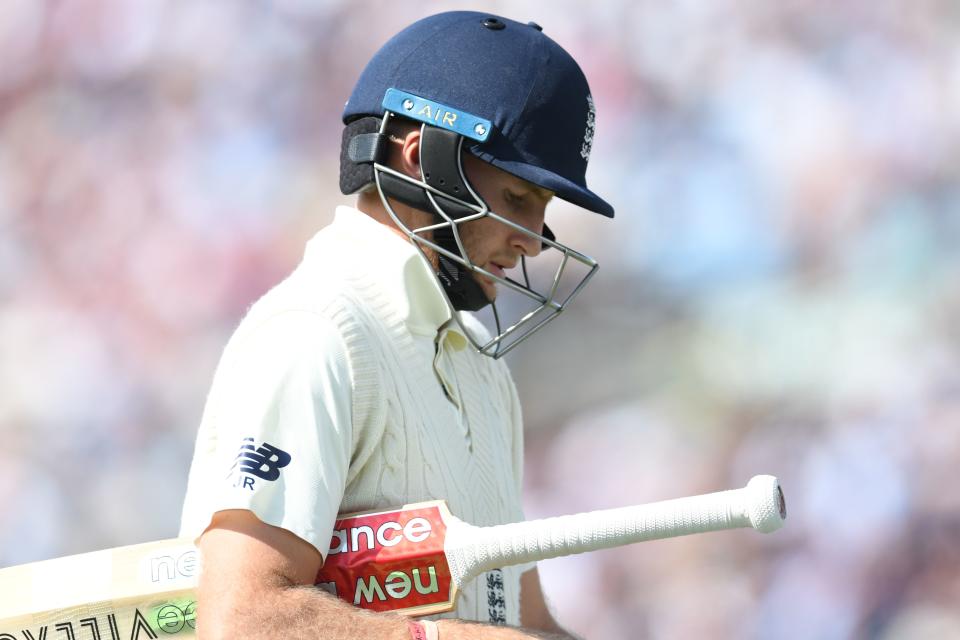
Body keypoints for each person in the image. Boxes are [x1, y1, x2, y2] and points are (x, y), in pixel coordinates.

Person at [179, 10, 614, 640]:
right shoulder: (314, 334)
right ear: (421, 160)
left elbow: (522, 620)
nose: (533, 244)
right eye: (518, 199)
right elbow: (243, 618)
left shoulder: (481, 368)